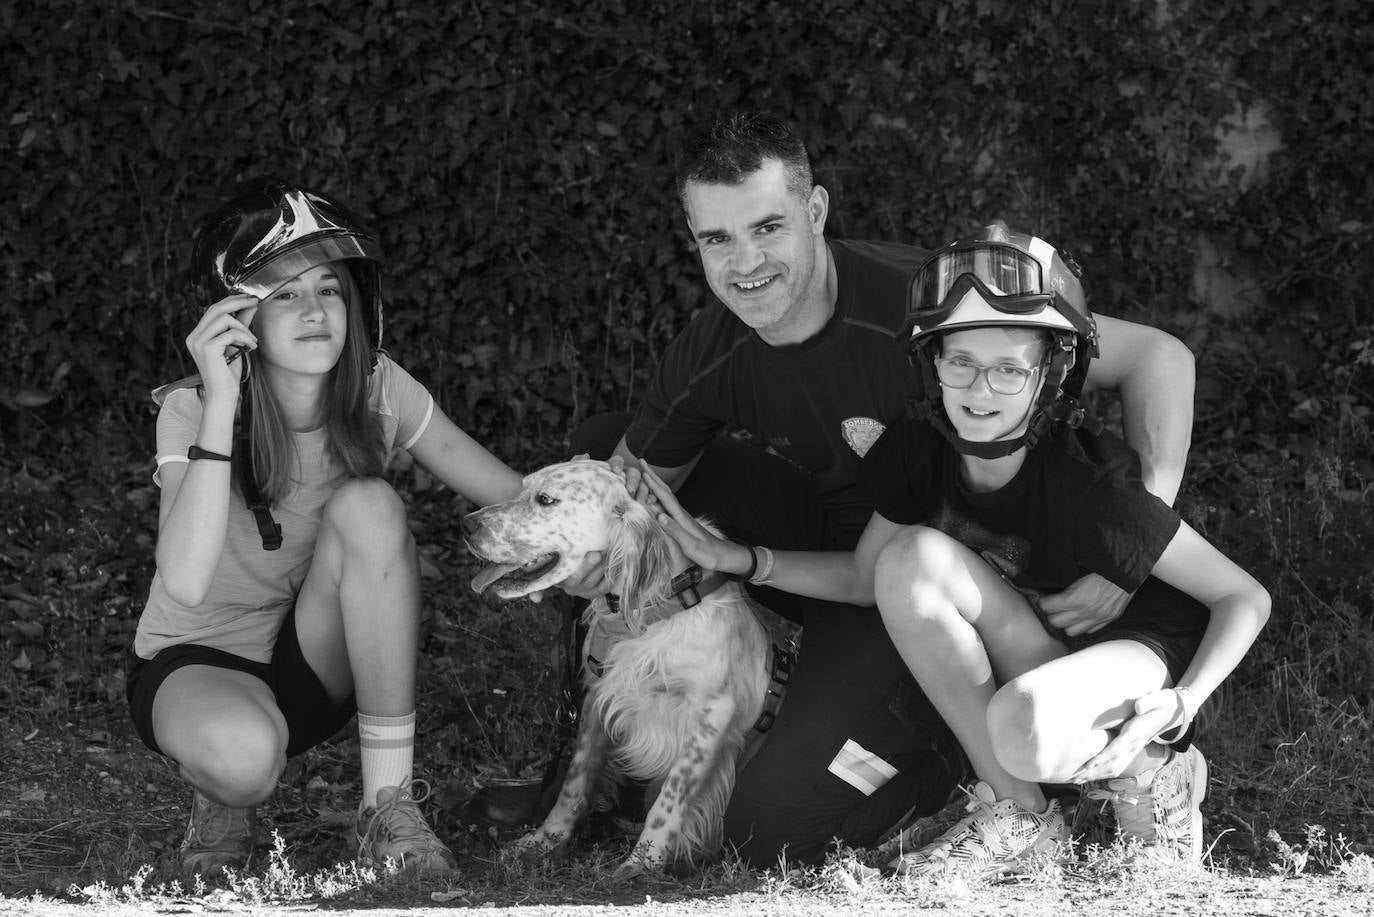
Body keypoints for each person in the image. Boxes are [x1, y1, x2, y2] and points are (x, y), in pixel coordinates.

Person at [569, 109, 1199, 867]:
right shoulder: (710, 351)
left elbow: (1160, 359)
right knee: (605, 454)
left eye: (767, 227)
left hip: (951, 588)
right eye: (717, 238)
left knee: (763, 832)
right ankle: (589, 757)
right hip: (851, 566)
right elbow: (610, 502)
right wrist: (477, 490)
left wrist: (1132, 550)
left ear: (815, 210)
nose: (745, 262)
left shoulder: (922, 303)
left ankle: (961, 768)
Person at [644, 224, 1269, 876]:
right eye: (960, 361)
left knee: (1020, 718)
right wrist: (742, 560)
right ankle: (1024, 813)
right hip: (1037, 650)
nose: (979, 389)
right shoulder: (920, 446)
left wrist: (1185, 702)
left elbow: (1242, 596)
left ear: (1051, 374)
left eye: (1008, 369)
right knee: (907, 560)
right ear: (929, 362)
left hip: (1136, 655)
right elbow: (866, 577)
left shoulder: (1092, 489)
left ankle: (1156, 772)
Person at [127, 177, 524, 878]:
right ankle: (224, 802)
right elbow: (184, 583)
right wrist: (222, 399)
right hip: (198, 659)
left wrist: (618, 498)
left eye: (329, 288)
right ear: (237, 314)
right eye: (284, 293)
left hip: (311, 658)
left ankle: (388, 809)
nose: (314, 310)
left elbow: (514, 498)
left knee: (371, 504)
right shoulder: (192, 408)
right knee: (248, 761)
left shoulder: (375, 387)